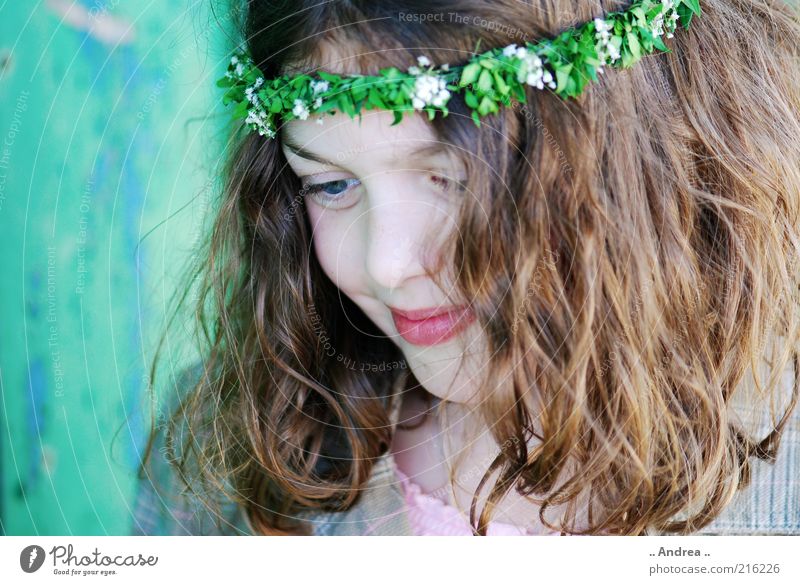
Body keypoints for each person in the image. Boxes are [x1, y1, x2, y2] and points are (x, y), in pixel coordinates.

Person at [130, 0, 800, 536]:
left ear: (635, 156)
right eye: (330, 185)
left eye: (452, 177)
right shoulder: (237, 448)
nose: (387, 264)